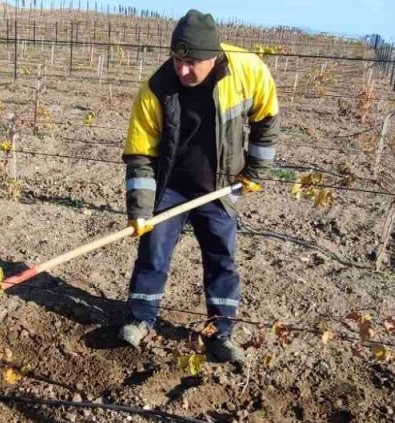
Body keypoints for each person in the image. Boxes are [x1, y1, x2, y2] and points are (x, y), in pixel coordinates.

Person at [118, 9, 279, 366]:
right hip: (171, 186)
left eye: (191, 62)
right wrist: (141, 211)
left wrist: (256, 169)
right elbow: (140, 155)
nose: (182, 70)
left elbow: (266, 119)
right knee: (153, 252)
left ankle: (221, 332)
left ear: (213, 57)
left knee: (221, 257)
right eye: (177, 60)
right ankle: (141, 318)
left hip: (220, 188)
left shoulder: (246, 70)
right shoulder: (157, 87)